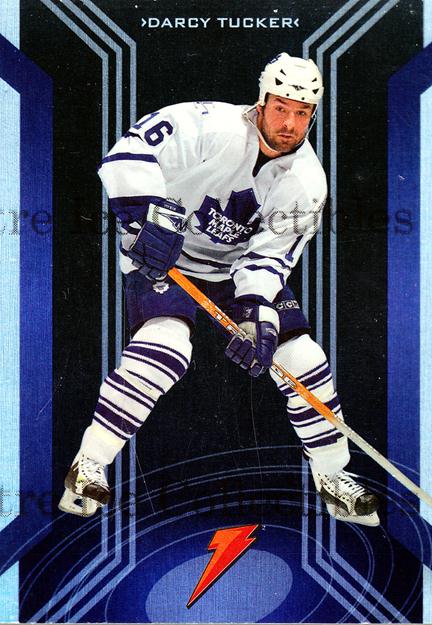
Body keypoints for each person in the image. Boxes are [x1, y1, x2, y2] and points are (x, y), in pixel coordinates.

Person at [59, 52, 379, 526]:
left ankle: (333, 476)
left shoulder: (308, 181)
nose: (289, 123)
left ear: (312, 114)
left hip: (234, 271)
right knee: (166, 346)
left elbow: (270, 258)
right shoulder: (208, 124)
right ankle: (89, 464)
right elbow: (129, 151)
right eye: (281, 108)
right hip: (167, 255)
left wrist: (257, 313)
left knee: (303, 358)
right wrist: (145, 215)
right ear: (262, 102)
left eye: (301, 112)